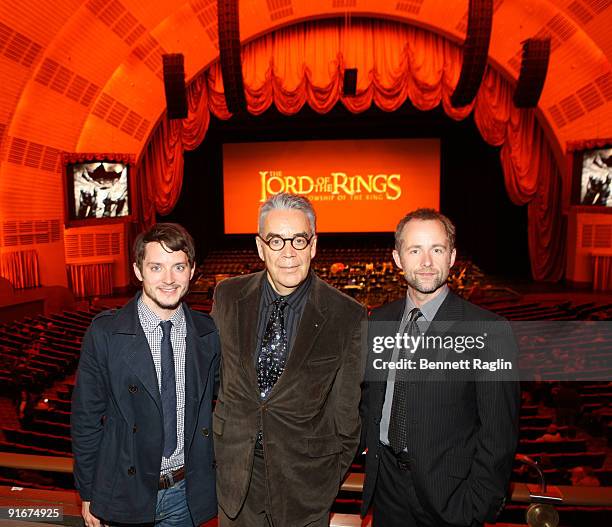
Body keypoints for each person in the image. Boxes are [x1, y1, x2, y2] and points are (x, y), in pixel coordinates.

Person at [211, 193, 366, 527]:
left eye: (298, 239)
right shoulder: (226, 295)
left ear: (313, 245)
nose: (288, 253)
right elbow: (216, 384)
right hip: (236, 482)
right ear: (260, 247)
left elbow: (346, 417)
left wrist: (324, 482)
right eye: (276, 240)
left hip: (305, 486)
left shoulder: (347, 315)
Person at [361, 208, 520, 527]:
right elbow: (369, 401)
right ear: (397, 258)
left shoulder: (490, 331)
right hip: (387, 492)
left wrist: (477, 505)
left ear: (452, 257)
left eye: (437, 249)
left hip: (451, 500)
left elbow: (499, 434)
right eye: (415, 250)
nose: (426, 261)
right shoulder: (378, 321)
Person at [71, 223, 220, 526]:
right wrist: (88, 492)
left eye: (178, 266)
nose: (168, 279)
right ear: (138, 270)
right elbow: (85, 419)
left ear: (192, 270)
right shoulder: (106, 333)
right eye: (156, 267)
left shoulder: (207, 332)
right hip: (124, 492)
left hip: (185, 493)